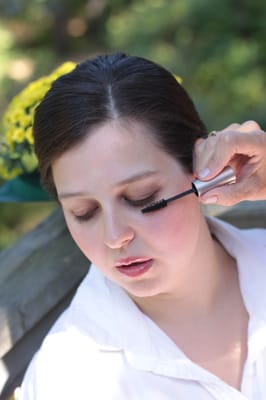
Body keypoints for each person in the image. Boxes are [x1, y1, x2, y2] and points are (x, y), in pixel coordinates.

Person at [20, 53, 266, 400]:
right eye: (84, 211)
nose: (115, 237)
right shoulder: (66, 378)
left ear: (202, 166)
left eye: (142, 198)